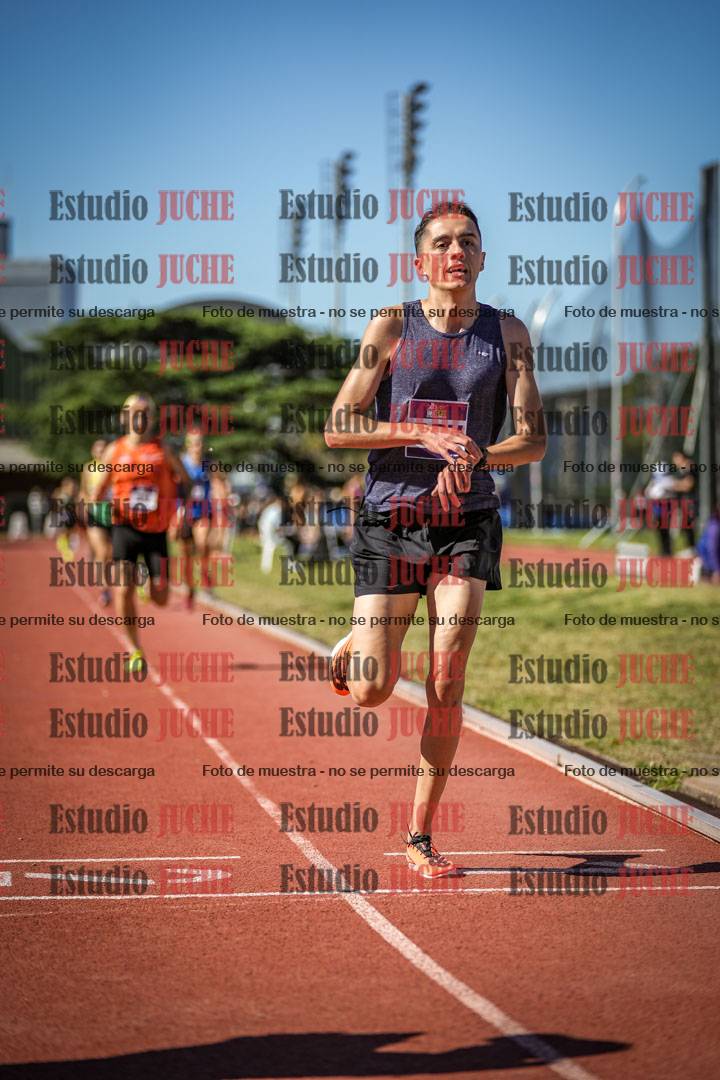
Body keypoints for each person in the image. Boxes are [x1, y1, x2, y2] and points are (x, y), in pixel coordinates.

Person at [325, 201, 546, 878]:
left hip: (466, 520)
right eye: (443, 243)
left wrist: (480, 455)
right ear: (421, 260)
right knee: (372, 692)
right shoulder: (392, 325)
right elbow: (339, 425)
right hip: (391, 518)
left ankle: (419, 834)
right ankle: (357, 642)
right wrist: (419, 432)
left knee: (447, 677)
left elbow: (533, 440)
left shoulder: (507, 333)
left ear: (482, 258)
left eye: (468, 242)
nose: (456, 252)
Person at [93, 393, 190, 672]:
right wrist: (100, 518)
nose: (139, 417)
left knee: (161, 597)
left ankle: (149, 581)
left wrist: (181, 512)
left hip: (156, 530)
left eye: (145, 412)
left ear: (152, 418)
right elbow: (98, 492)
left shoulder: (164, 450)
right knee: (123, 589)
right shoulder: (115, 451)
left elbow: (186, 482)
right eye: (134, 411)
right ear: (125, 417)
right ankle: (135, 649)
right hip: (124, 528)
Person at [176, 428, 213, 608]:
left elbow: (216, 483)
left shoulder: (207, 464)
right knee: (186, 556)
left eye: (200, 442)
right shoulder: (181, 463)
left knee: (202, 543)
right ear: (188, 444)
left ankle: (205, 574)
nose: (197, 446)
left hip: (203, 511)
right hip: (185, 512)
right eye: (194, 442)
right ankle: (189, 589)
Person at [80, 437, 113, 607]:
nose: (100, 452)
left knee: (111, 553)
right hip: (95, 512)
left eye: (103, 449)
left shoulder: (114, 466)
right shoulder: (88, 469)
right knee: (102, 551)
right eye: (98, 449)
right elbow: (83, 491)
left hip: (112, 512)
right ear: (93, 452)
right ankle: (104, 590)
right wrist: (86, 508)